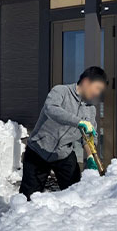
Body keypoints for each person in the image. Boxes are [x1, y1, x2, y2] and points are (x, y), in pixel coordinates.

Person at [19, 66, 108, 200]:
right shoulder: (60, 91)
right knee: (28, 198)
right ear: (86, 81)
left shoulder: (90, 109)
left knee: (76, 194)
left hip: (63, 154)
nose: (97, 93)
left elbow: (88, 137)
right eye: (97, 88)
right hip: (38, 150)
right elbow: (51, 109)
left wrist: (90, 157)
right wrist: (78, 122)